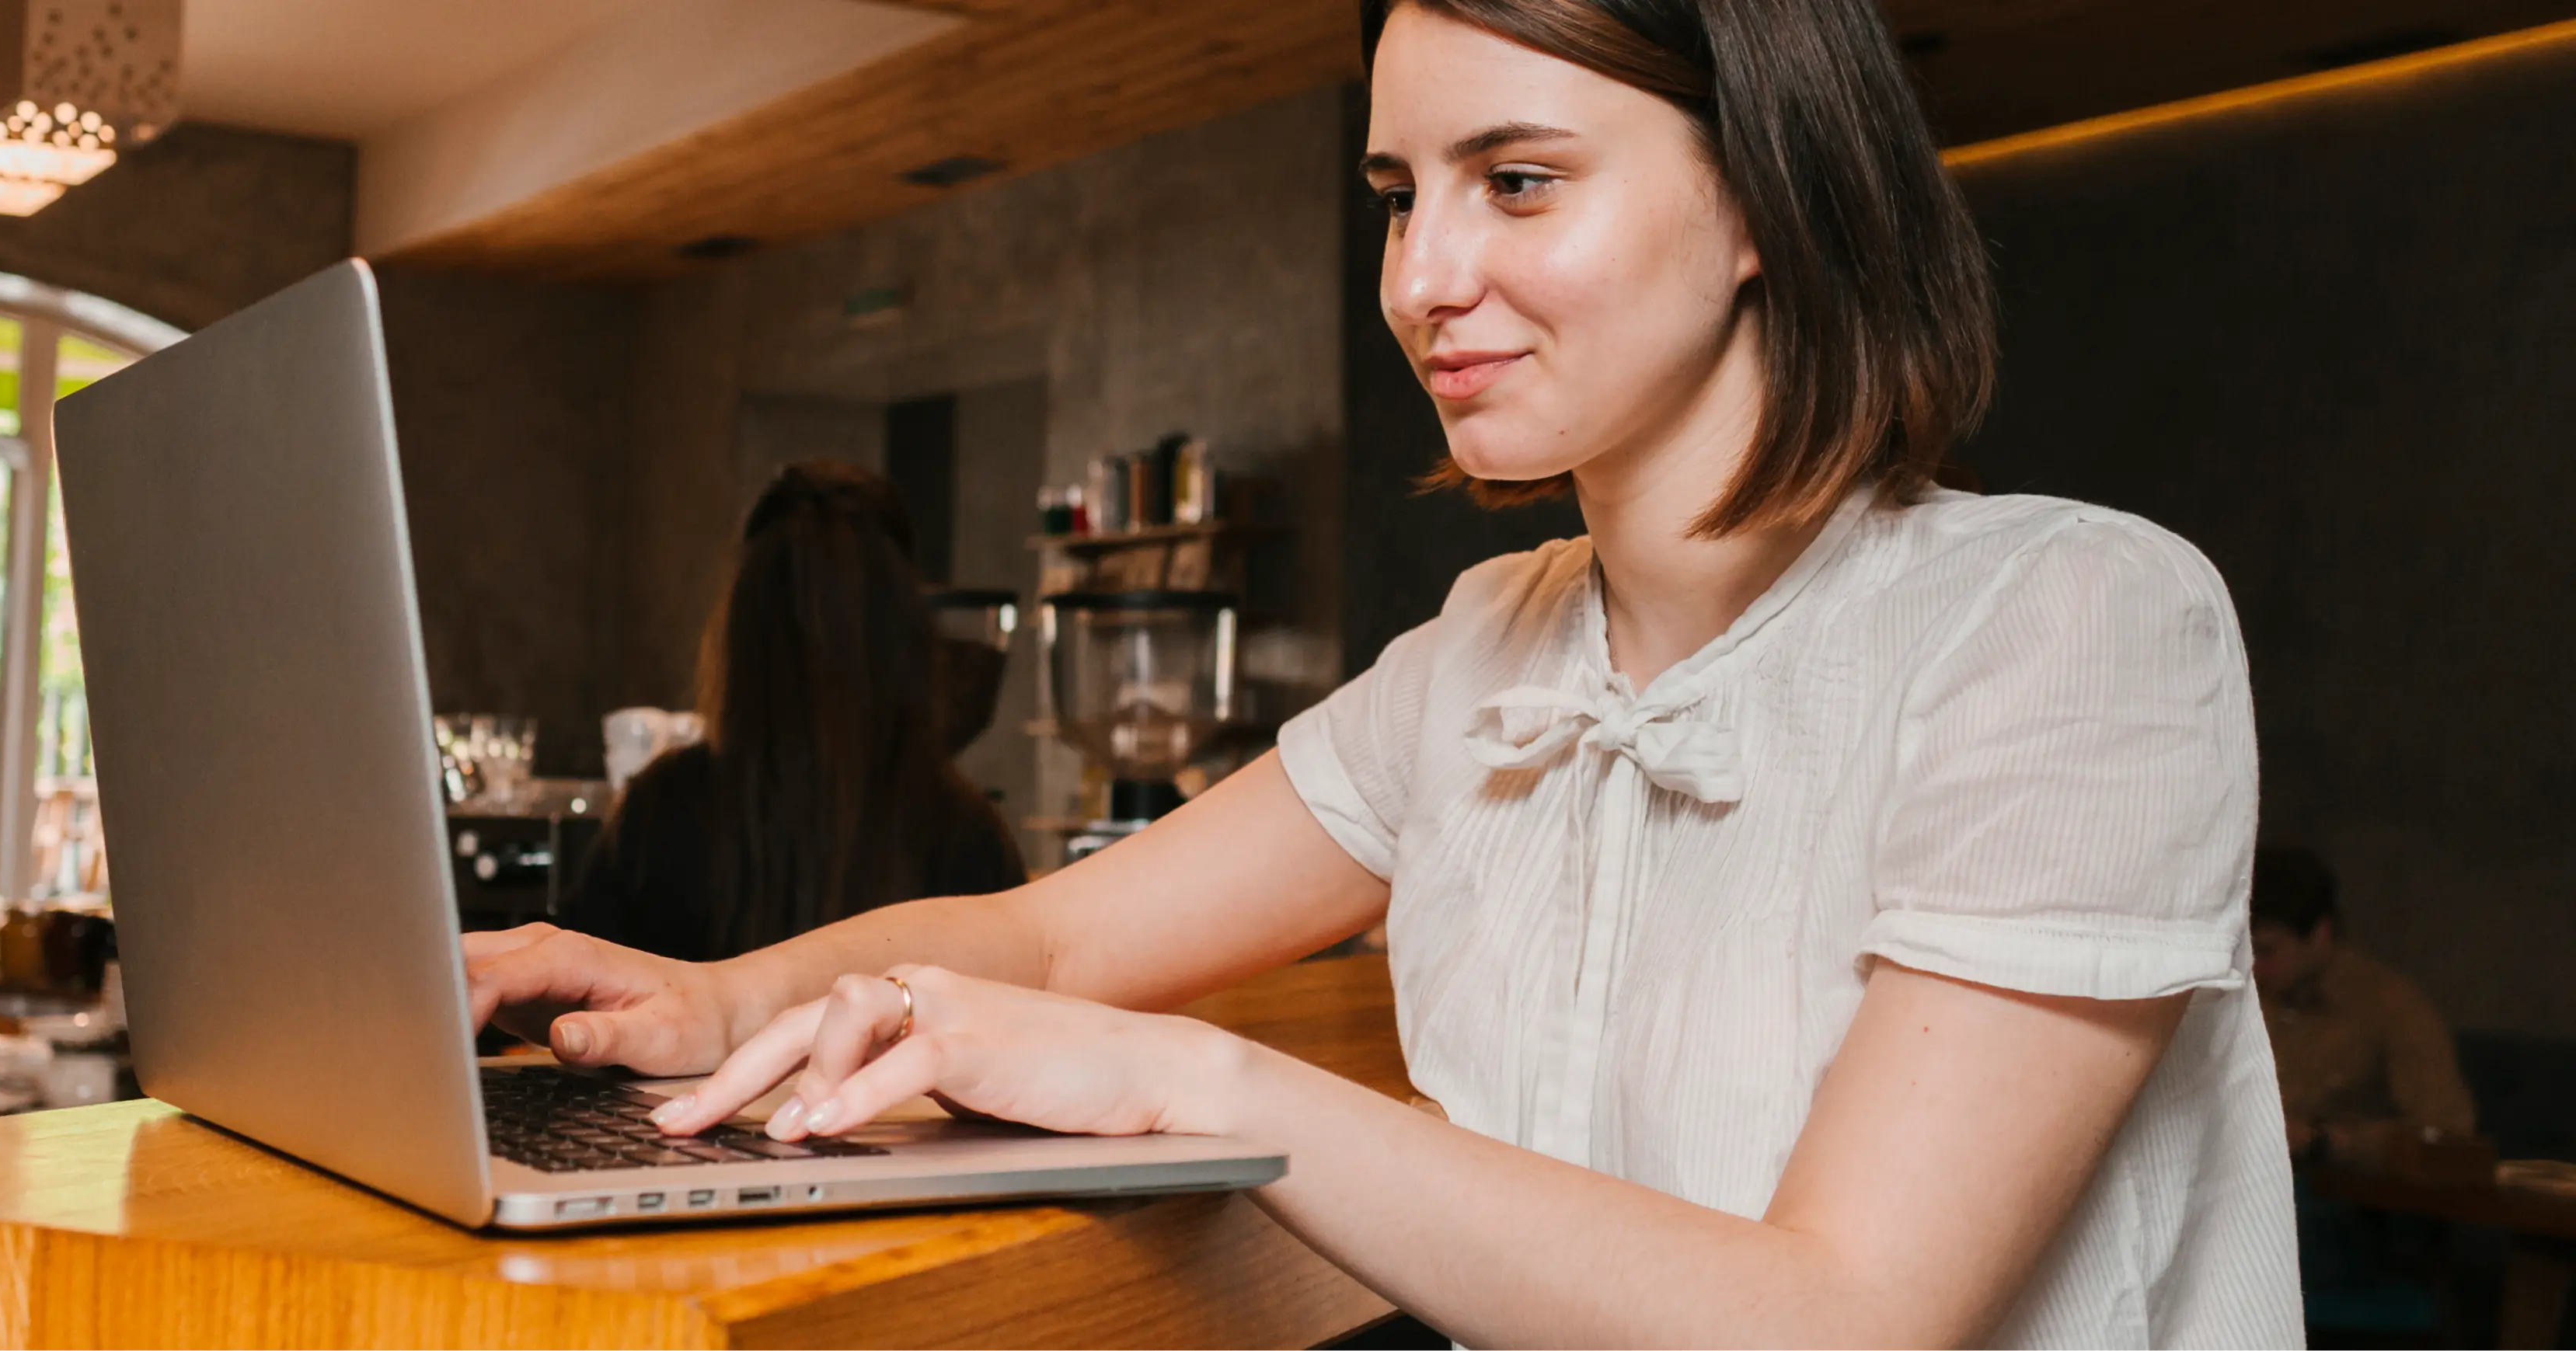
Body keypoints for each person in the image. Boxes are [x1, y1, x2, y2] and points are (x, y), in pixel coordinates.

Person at [469, 2, 2299, 1345]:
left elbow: (1837, 1318)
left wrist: (1196, 1086)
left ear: (1766, 206)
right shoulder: (1489, 644)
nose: (1422, 274)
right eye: (1395, 193)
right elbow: (1062, 937)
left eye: (1515, 182)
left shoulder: (2070, 623)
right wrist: (718, 1009)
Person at [566, 461, 1024, 963]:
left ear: (742, 633)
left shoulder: (662, 810)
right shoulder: (969, 835)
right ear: (908, 636)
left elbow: (578, 991)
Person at [2251, 845, 2475, 1160]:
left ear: (2319, 934)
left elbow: (2446, 1129)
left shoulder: (2389, 1006)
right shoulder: (2250, 998)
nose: (2255, 968)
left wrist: (2326, 1141)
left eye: (2267, 951)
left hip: (2335, 1192)